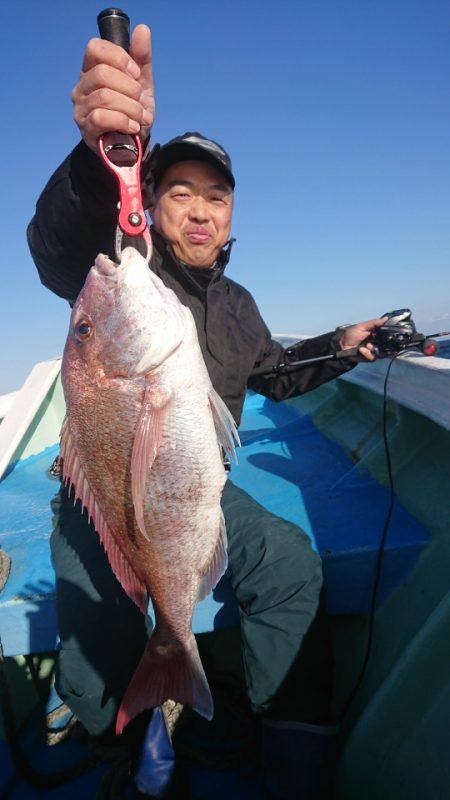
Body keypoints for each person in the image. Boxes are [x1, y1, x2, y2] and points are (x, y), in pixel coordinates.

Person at [27, 24, 385, 800]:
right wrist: (101, 161)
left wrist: (343, 344)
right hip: (107, 494)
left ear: (230, 213)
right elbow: (58, 249)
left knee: (291, 563)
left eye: (214, 196)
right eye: (178, 191)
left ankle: (288, 740)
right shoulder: (129, 271)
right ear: (149, 202)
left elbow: (272, 372)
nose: (197, 210)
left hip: (193, 488)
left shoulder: (237, 303)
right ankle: (108, 731)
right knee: (99, 611)